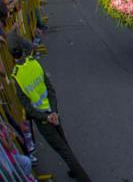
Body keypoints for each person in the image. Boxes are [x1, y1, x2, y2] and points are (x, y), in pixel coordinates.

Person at [9, 39, 91, 181]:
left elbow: (27, 107)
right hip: (52, 111)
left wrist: (46, 117)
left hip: (43, 120)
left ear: (11, 56)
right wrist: (53, 111)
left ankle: (83, 178)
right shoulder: (34, 63)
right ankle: (75, 170)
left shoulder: (16, 76)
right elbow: (50, 89)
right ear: (22, 50)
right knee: (64, 143)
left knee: (62, 149)